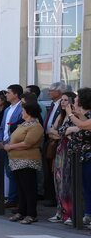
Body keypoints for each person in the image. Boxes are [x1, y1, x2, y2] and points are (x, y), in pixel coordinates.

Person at [4, 102, 44, 224]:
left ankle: (31, 214)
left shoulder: (36, 126)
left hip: (28, 160)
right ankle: (21, 211)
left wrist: (10, 146)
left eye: (23, 111)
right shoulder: (24, 124)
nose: (21, 112)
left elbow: (27, 143)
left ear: (29, 112)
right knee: (21, 188)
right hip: (16, 160)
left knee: (29, 188)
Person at [47, 91, 77, 224]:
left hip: (68, 152)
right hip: (59, 151)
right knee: (57, 182)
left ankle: (69, 214)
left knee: (67, 183)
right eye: (62, 100)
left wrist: (59, 133)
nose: (62, 102)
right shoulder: (61, 115)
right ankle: (59, 212)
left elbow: (63, 133)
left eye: (65, 100)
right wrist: (60, 133)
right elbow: (51, 132)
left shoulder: (74, 116)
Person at [64, 88, 91, 227]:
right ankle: (84, 214)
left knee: (88, 186)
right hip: (78, 156)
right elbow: (65, 130)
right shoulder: (81, 114)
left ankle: (87, 214)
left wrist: (70, 115)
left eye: (77, 97)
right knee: (81, 186)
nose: (74, 99)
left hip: (87, 156)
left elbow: (82, 126)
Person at [0, 84, 23, 209]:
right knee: (9, 172)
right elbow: (2, 127)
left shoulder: (22, 107)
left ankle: (15, 199)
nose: (6, 95)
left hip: (14, 145)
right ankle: (12, 198)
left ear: (16, 94)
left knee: (15, 173)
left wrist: (8, 142)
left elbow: (20, 128)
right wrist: (0, 140)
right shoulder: (7, 109)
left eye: (8, 92)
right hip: (5, 145)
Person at [42, 82, 66, 207]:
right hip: (49, 140)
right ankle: (50, 196)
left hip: (57, 142)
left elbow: (59, 128)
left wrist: (52, 132)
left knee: (55, 171)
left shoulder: (62, 105)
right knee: (48, 171)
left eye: (51, 90)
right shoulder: (53, 104)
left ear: (59, 92)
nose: (48, 92)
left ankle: (55, 199)